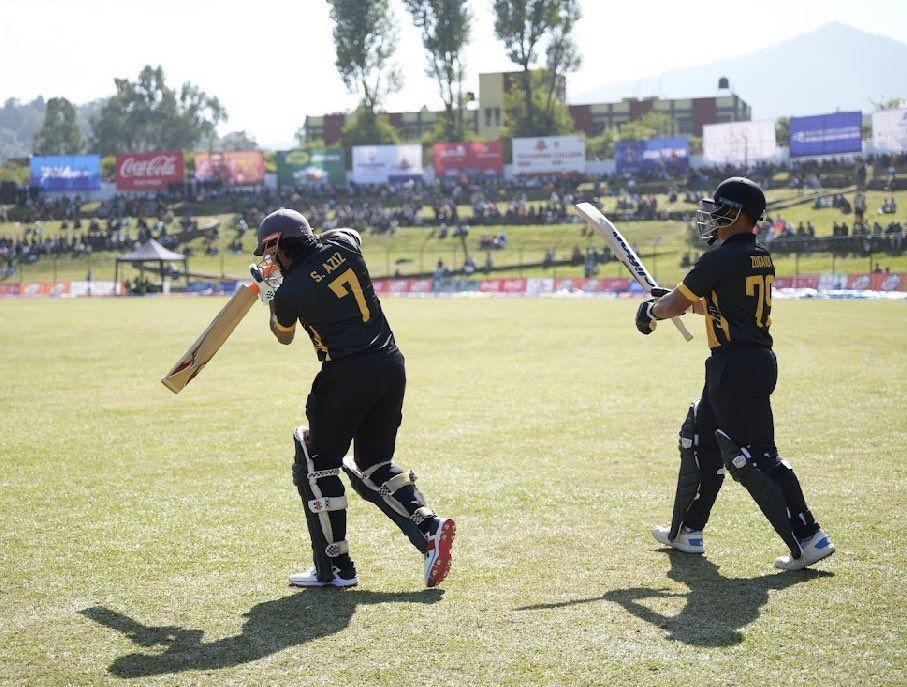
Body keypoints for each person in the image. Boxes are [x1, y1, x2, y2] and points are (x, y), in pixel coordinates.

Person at [634, 177, 835, 571]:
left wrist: (651, 312)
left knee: (756, 458)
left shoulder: (719, 259)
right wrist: (671, 302)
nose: (712, 217)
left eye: (720, 209)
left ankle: (808, 537)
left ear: (739, 214)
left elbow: (681, 302)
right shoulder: (759, 256)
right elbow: (718, 307)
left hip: (735, 366)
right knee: (699, 440)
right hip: (747, 361)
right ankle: (688, 531)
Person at [250, 208, 456, 588]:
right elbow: (348, 231)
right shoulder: (343, 244)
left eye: (270, 251)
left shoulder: (291, 290)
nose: (269, 259)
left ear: (278, 244)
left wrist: (271, 295)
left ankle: (335, 568)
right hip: (390, 365)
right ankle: (429, 527)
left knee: (315, 461)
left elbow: (283, 334)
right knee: (375, 463)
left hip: (345, 374)